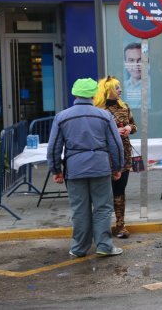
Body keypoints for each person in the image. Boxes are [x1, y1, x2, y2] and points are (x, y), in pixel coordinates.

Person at [47, 78, 124, 257]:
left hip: (75, 169)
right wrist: (117, 167)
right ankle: (104, 246)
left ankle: (79, 248)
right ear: (93, 94)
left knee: (79, 209)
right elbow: (116, 144)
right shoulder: (104, 116)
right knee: (103, 208)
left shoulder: (62, 117)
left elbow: (54, 147)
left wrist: (56, 170)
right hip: (100, 167)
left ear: (75, 94)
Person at [94, 76, 137, 239]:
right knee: (103, 194)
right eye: (116, 87)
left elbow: (134, 126)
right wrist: (112, 132)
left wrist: (128, 128)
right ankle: (102, 227)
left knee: (120, 191)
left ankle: (120, 225)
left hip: (124, 155)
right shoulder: (98, 110)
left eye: (119, 87)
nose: (120, 90)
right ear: (107, 90)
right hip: (104, 157)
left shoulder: (124, 107)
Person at [123, 42, 142, 108]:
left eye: (140, 60)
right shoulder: (122, 86)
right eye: (131, 60)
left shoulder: (153, 85)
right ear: (125, 63)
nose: (135, 65)